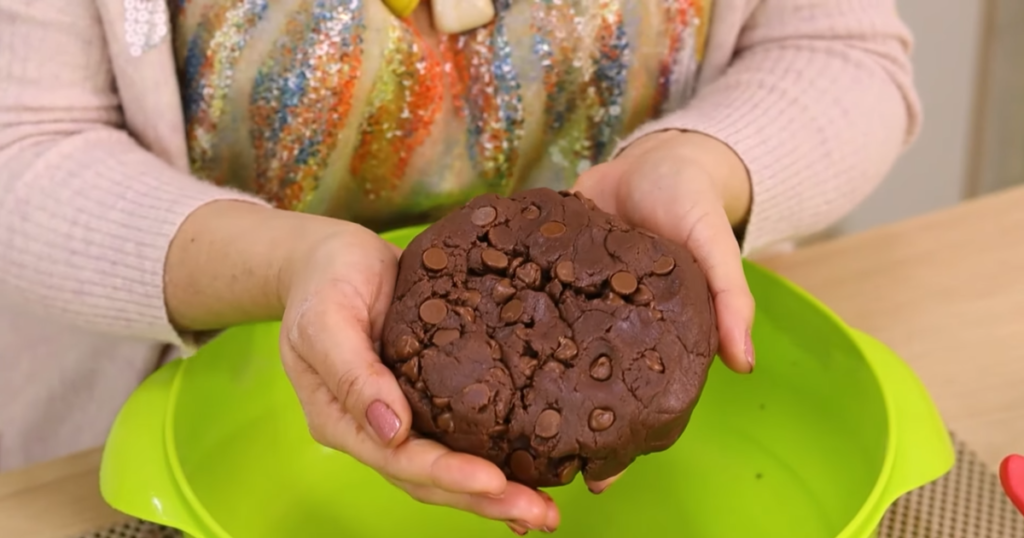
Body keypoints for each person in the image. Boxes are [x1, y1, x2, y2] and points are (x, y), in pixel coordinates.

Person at [0, 0, 919, 533]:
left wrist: (703, 163)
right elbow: (22, 144)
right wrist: (286, 264)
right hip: (180, 412)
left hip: (707, 427)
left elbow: (843, 49)